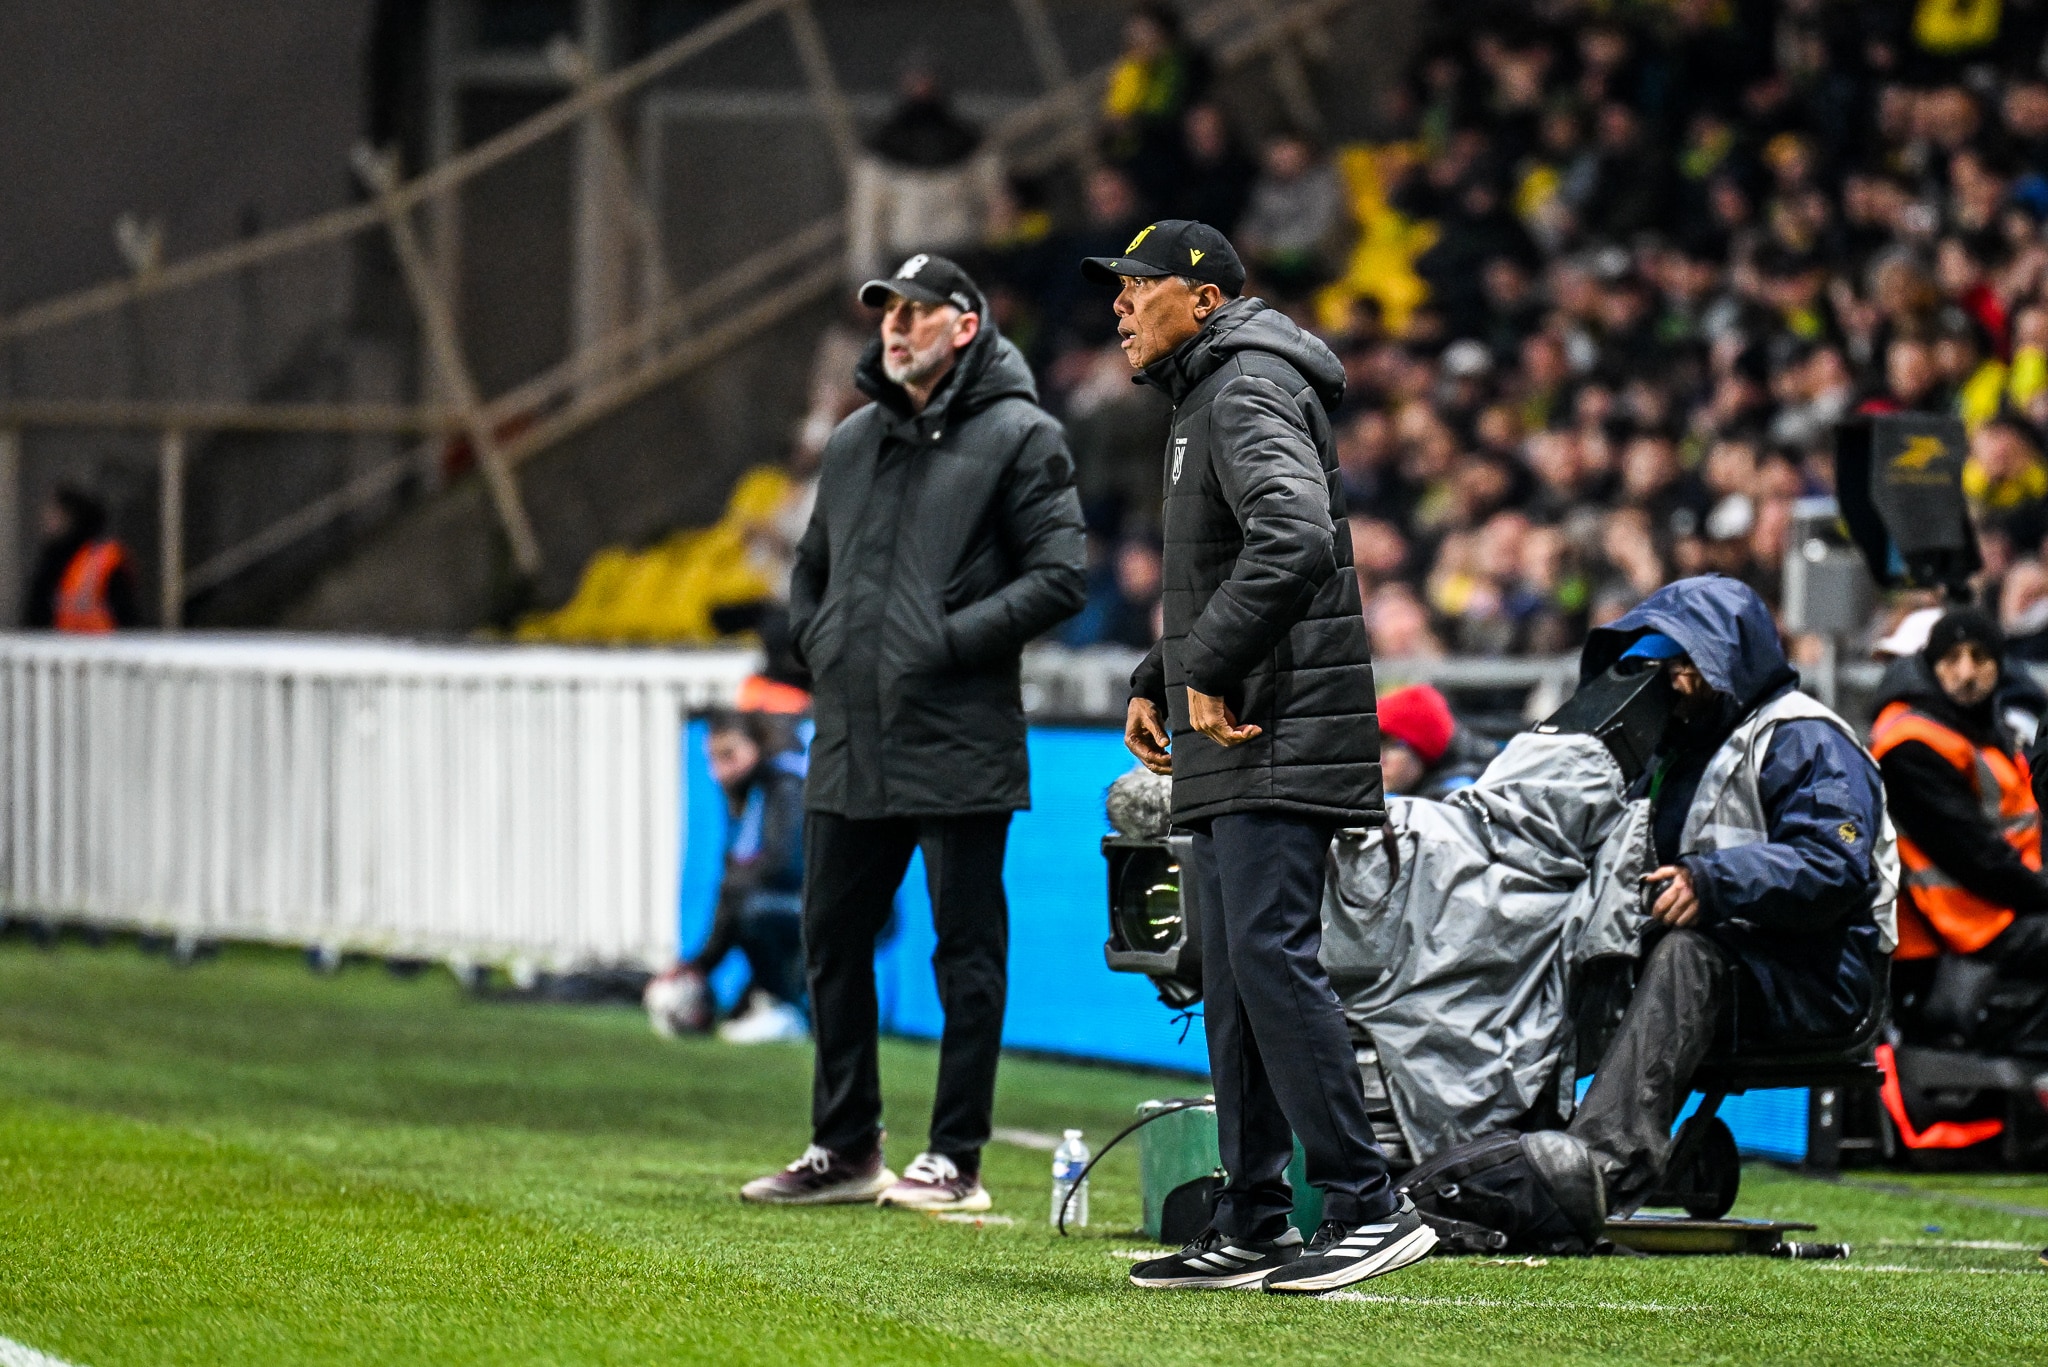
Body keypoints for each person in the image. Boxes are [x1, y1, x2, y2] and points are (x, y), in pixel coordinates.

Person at [1090, 220, 1434, 1294]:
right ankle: (1251, 1216)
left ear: (1201, 298)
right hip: (1244, 720)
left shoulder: (1238, 388)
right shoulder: (1213, 391)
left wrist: (1209, 666)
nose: (1118, 305)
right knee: (1235, 973)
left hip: (1273, 724)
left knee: (1271, 960)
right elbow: (1233, 562)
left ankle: (1368, 1203)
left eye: (1137, 286)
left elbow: (1291, 536)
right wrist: (1166, 668)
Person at [740, 254, 1086, 1211]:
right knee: (831, 935)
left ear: (965, 325)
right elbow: (810, 567)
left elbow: (1061, 576)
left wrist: (940, 642)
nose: (895, 327)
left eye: (918, 312)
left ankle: (956, 1161)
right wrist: (822, 639)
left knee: (964, 947)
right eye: (887, 312)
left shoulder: (1024, 436)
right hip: (852, 729)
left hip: (958, 729)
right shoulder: (852, 442)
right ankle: (846, 1148)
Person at [1565, 577, 1897, 1215]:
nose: (1676, 682)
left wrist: (1712, 882)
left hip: (1817, 977)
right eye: (1664, 665)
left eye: (1691, 663)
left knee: (1685, 954)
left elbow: (1834, 864)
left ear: (1733, 661)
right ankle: (1515, 1143)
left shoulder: (1803, 738)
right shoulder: (1676, 750)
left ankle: (1597, 1170)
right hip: (1744, 968)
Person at [1871, 610, 2048, 999]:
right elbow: (1976, 856)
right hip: (1968, 927)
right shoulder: (1914, 741)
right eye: (1952, 659)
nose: (1966, 673)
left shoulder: (1973, 725)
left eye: (1980, 658)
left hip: (2001, 910)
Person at [645, 710, 810, 1043]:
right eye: (713, 759)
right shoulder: (748, 799)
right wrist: (701, 963)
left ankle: (786, 1009)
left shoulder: (785, 789)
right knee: (744, 901)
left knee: (751, 908)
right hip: (796, 904)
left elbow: (785, 865)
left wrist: (704, 962)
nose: (719, 770)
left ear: (756, 748)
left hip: (838, 909)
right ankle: (762, 1002)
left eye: (729, 755)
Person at [24, 486, 140, 631]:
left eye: (53, 513)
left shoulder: (103, 557)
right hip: (59, 648)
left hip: (102, 648)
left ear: (69, 516)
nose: (45, 519)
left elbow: (125, 614)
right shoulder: (52, 558)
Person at [1374, 682, 1498, 800]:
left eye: (1390, 746)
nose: (1379, 760)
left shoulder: (1457, 795)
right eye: (1375, 746)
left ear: (1422, 750)